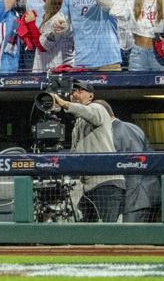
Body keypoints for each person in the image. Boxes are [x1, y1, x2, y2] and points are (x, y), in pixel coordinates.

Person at [48, 80, 125, 223]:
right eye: (73, 91)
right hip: (90, 186)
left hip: (107, 183)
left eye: (80, 91)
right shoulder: (78, 123)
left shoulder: (98, 108)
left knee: (108, 233)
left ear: (90, 96)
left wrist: (64, 104)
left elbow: (87, 111)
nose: (75, 94)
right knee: (85, 229)